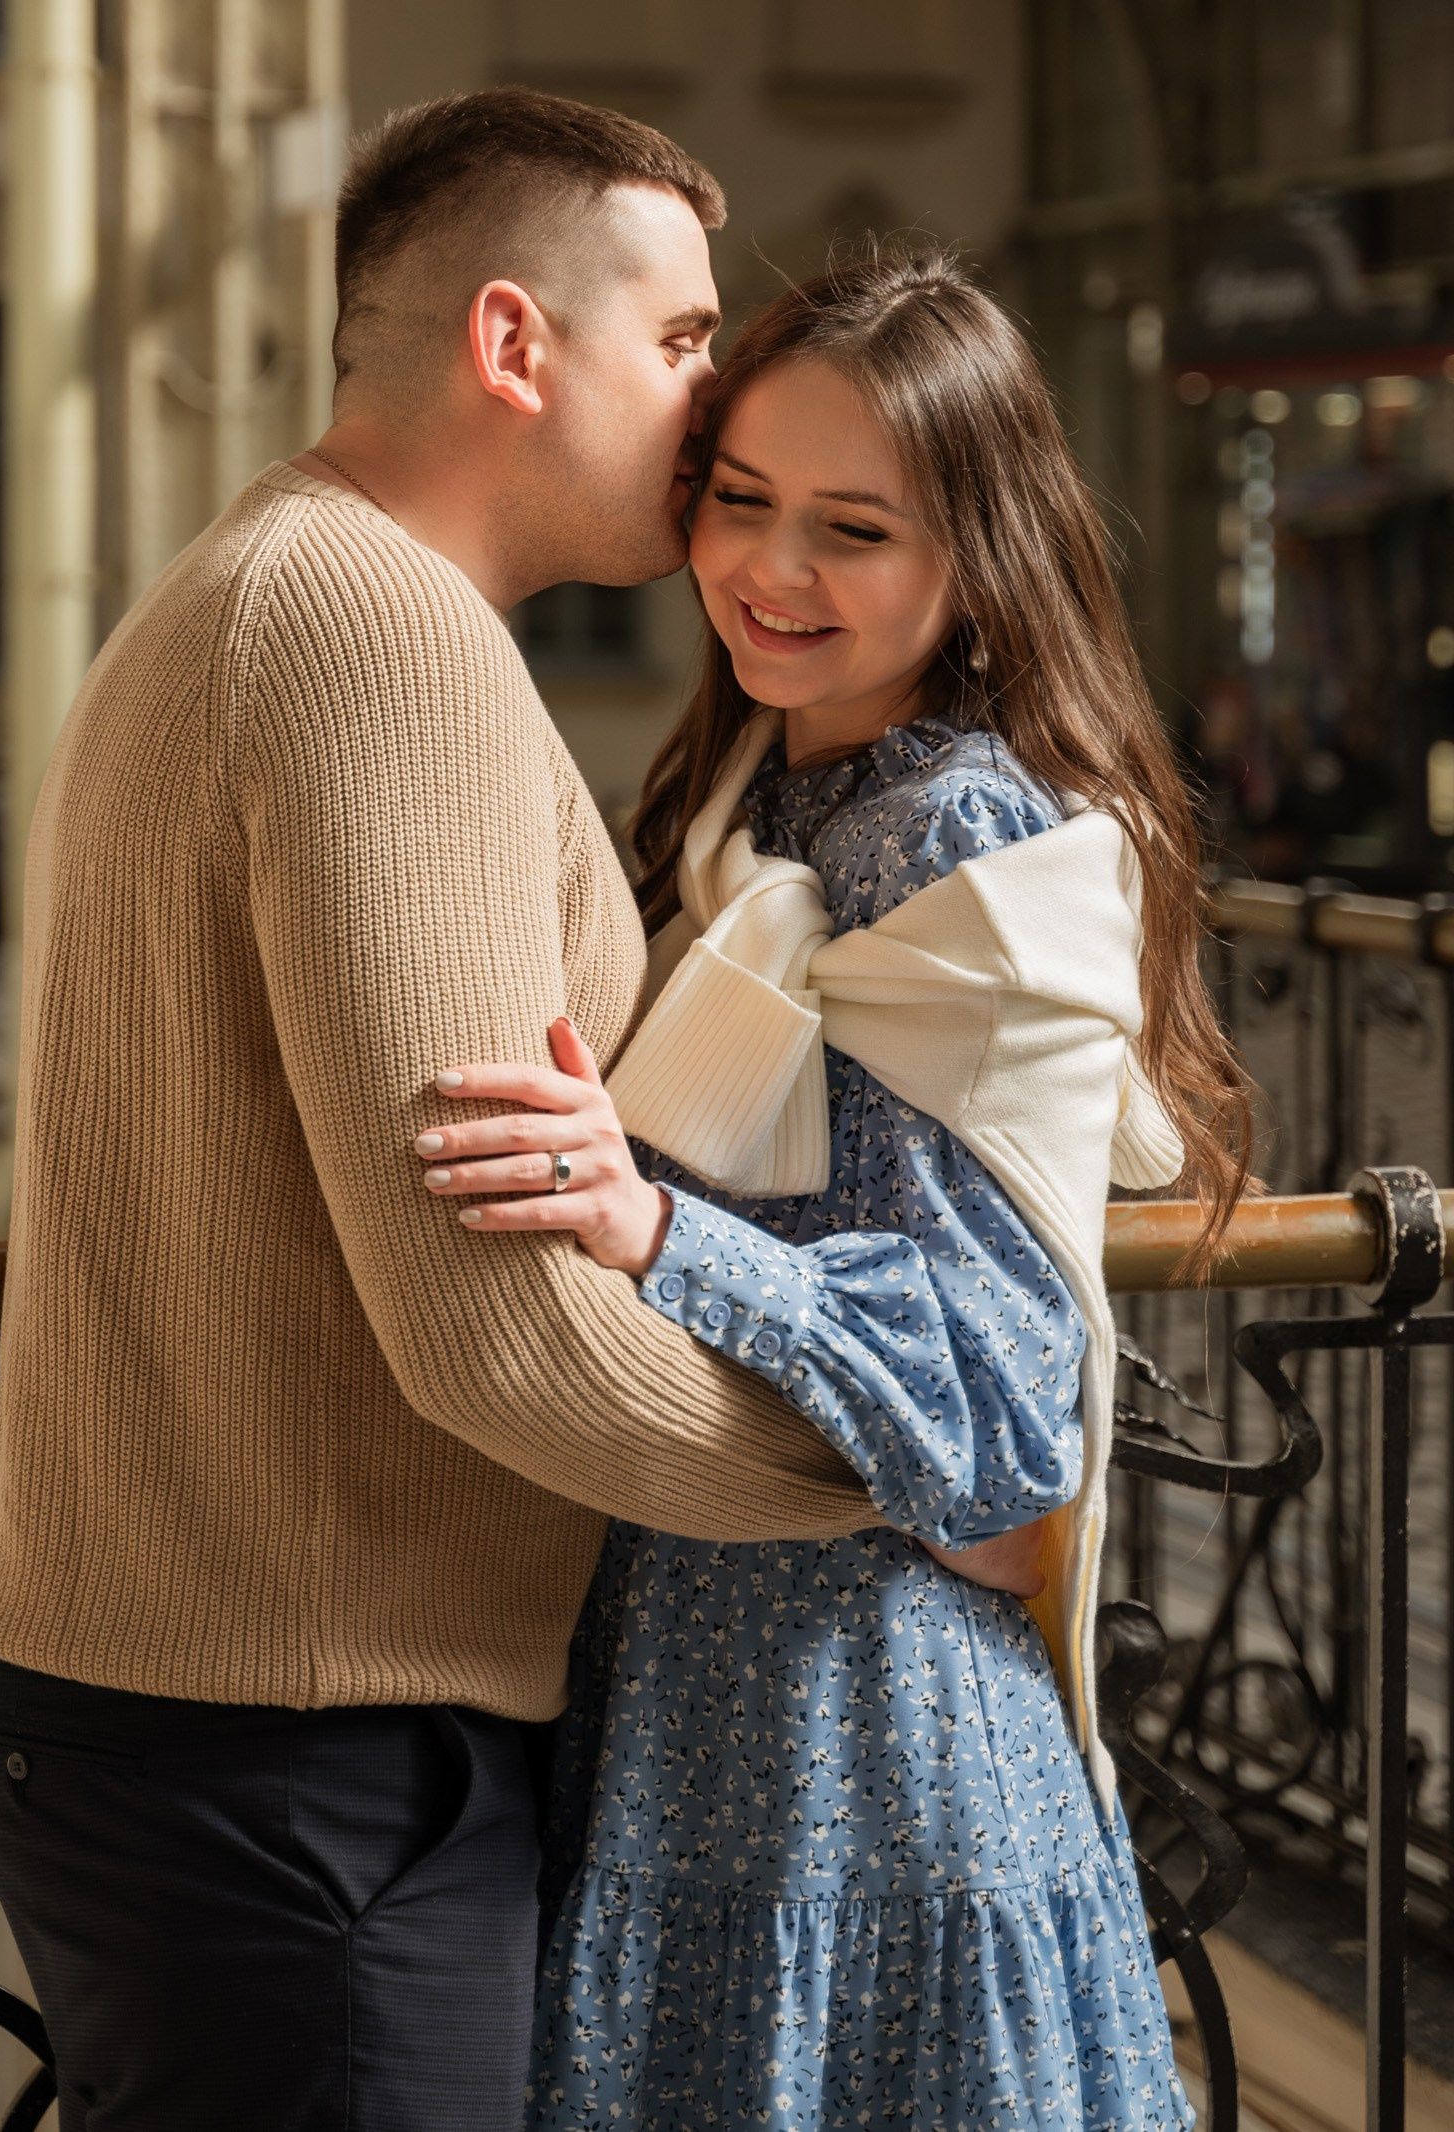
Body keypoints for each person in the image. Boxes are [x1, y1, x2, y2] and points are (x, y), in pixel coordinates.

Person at [0, 95, 1033, 2132]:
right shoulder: (375, 637)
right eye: (685, 342)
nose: (711, 405)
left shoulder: (284, 583)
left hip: (220, 1717)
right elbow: (497, 1328)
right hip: (289, 1744)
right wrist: (899, 1466)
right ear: (519, 347)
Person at [417, 247, 1251, 2132]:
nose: (773, 573)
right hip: (720, 1663)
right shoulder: (770, 794)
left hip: (864, 1732)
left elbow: (1001, 1385)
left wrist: (656, 1233)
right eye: (742, 502)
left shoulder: (943, 827)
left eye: (853, 529)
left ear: (975, 560)